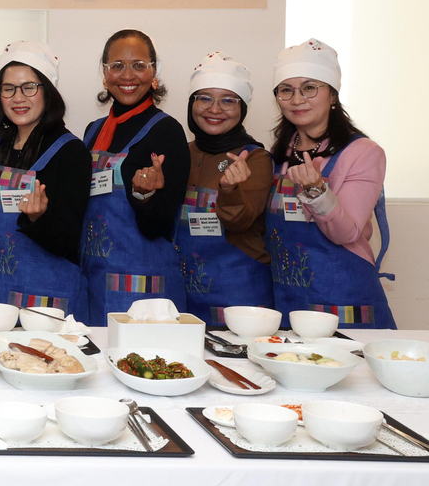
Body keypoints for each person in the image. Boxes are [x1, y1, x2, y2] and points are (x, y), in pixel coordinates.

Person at [265, 39, 394, 328]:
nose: (297, 100)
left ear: (332, 94)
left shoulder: (363, 152)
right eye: (286, 90)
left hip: (343, 300)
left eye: (309, 87)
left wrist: (318, 190)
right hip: (288, 299)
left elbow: (347, 233)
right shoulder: (278, 154)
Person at [80, 29, 191, 324]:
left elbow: (160, 226)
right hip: (94, 281)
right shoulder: (92, 131)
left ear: (154, 72)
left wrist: (146, 196)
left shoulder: (167, 131)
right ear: (105, 74)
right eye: (117, 66)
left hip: (146, 295)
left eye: (139, 65)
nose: (128, 75)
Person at [0, 42, 92, 315]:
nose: (18, 98)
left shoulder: (70, 151)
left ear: (48, 92)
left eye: (29, 87)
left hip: (47, 302)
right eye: (8, 89)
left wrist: (39, 217)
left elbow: (69, 240)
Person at [178, 53, 275, 324]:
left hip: (240, 292)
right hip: (184, 291)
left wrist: (230, 189)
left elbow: (240, 222)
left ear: (242, 108)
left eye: (228, 100)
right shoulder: (180, 153)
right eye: (205, 98)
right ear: (192, 103)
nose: (215, 109)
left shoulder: (255, 158)